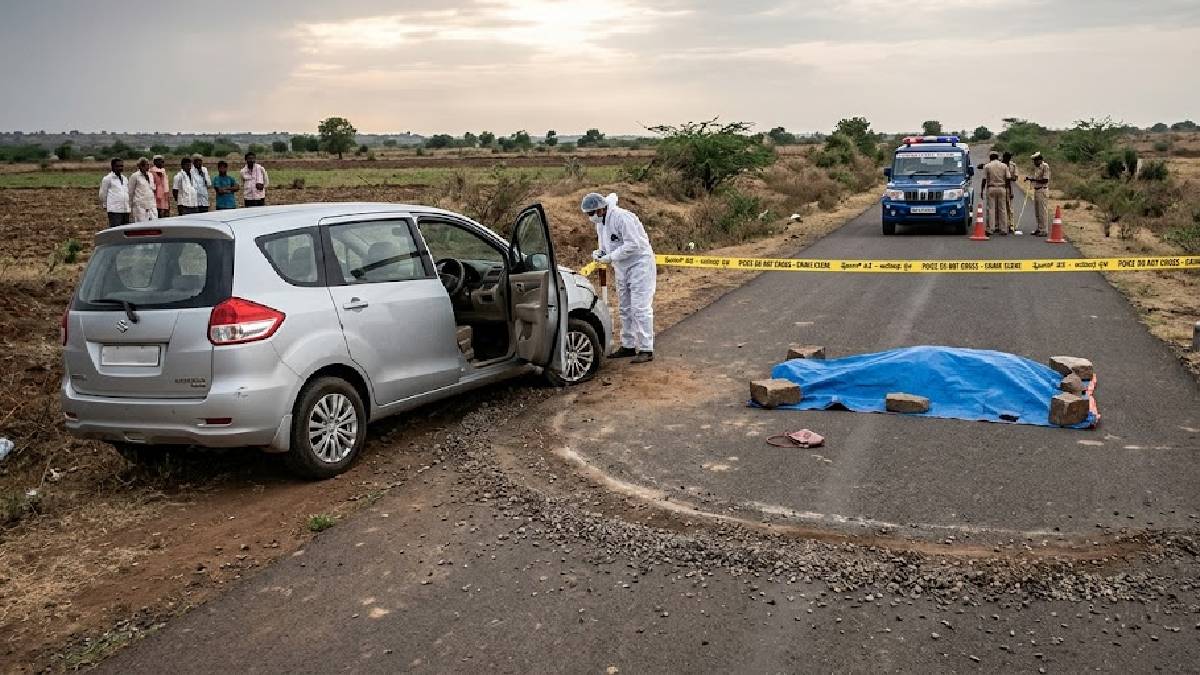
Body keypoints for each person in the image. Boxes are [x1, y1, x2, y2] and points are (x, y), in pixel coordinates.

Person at [583, 192, 656, 363]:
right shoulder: (601, 223)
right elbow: (606, 245)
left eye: (591, 213)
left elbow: (634, 244)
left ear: (600, 209)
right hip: (621, 267)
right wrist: (600, 253)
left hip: (640, 264)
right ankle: (628, 345)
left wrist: (611, 257)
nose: (590, 217)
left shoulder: (622, 218)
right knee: (624, 307)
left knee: (640, 307)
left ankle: (646, 348)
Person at [981, 151, 1009, 236]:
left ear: (990, 157)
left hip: (991, 188)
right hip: (1002, 188)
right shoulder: (1004, 166)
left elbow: (984, 179)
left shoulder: (987, 166)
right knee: (1002, 209)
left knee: (991, 209)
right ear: (997, 157)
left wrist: (982, 190)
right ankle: (1003, 229)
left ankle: (991, 229)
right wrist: (1007, 189)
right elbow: (1008, 178)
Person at [1025, 151, 1051, 237]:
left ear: (1040, 160)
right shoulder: (1037, 168)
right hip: (1037, 190)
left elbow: (1045, 180)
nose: (1034, 162)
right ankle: (1039, 228)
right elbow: (1037, 178)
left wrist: (1034, 180)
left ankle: (1044, 230)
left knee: (1042, 211)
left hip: (1042, 189)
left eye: (1035, 160)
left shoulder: (1045, 166)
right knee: (1037, 211)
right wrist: (1030, 178)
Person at [98, 158, 130, 228]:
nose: (120, 168)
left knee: (125, 231)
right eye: (117, 166)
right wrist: (106, 206)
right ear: (112, 167)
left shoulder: (124, 178)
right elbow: (102, 194)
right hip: (114, 210)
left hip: (125, 209)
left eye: (121, 166)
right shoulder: (107, 179)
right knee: (116, 231)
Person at [127, 157, 158, 222]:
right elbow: (130, 192)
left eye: (148, 165)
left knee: (154, 224)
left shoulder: (150, 175)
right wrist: (129, 207)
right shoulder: (134, 176)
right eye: (147, 165)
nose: (148, 166)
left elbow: (151, 189)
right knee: (141, 226)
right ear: (141, 166)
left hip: (151, 204)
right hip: (140, 206)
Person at [1002, 151, 1017, 233]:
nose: (1009, 159)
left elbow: (1015, 178)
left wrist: (1009, 177)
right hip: (1001, 187)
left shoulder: (1013, 165)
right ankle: (1002, 225)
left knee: (1010, 208)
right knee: (1001, 208)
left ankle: (1011, 225)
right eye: (1008, 157)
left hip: (1008, 188)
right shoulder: (1000, 165)